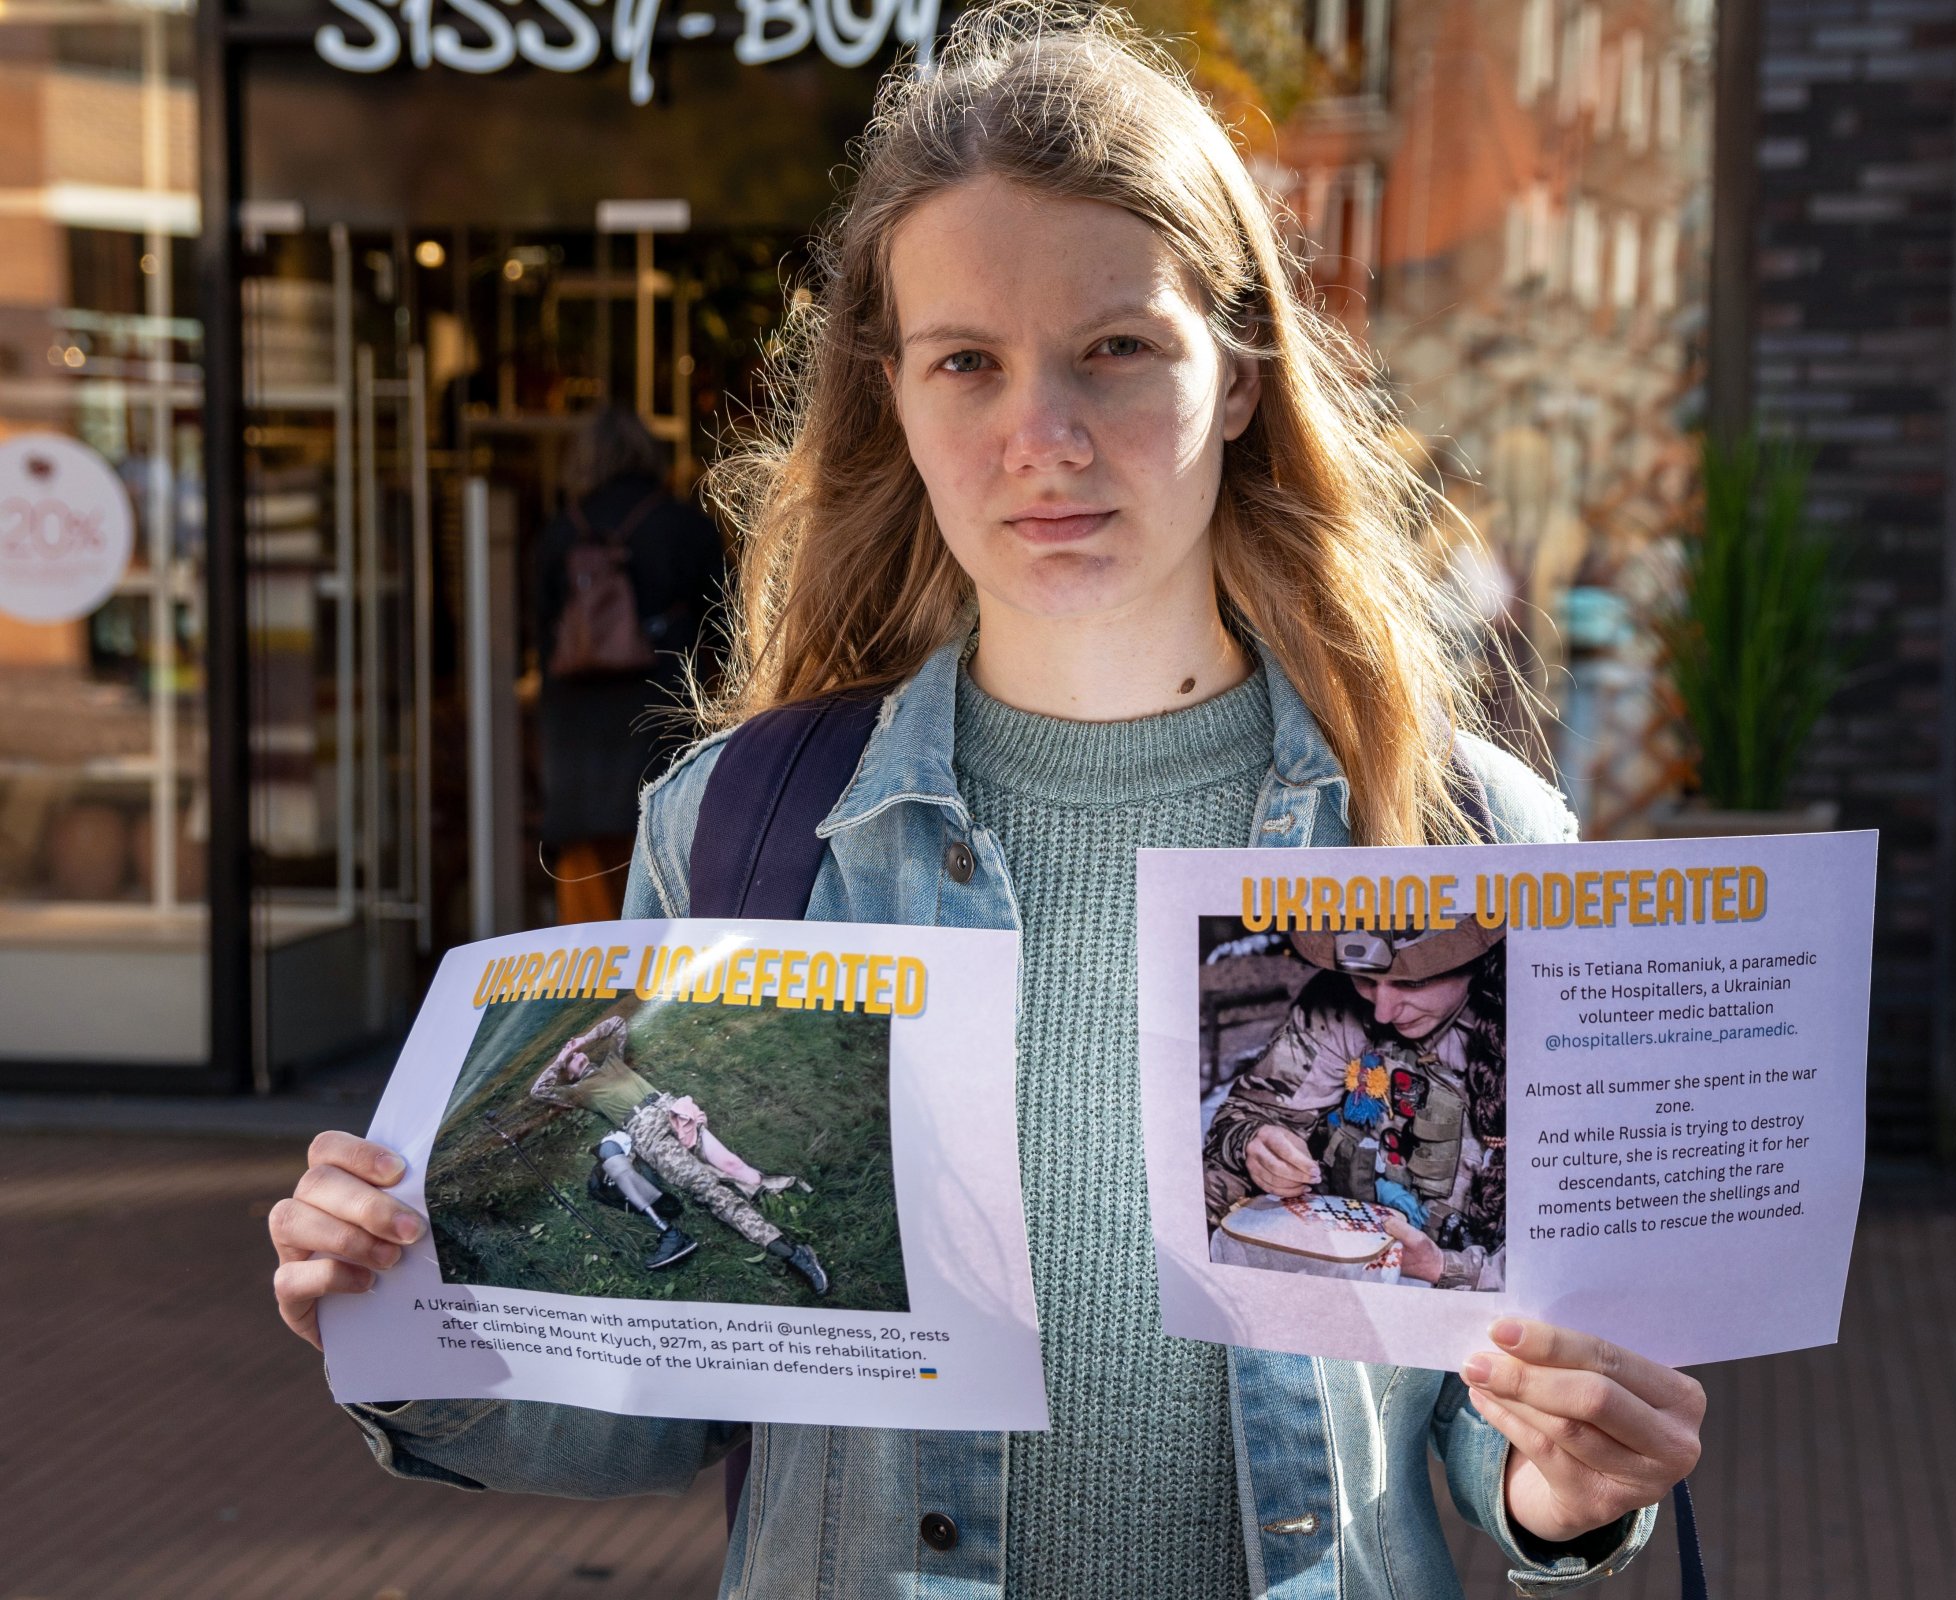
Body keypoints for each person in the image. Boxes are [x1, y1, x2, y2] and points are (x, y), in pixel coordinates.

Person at [266, 7, 1705, 1594]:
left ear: (1237, 377)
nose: (1044, 439)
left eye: (1117, 348)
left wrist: (1562, 1479)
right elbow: (656, 1395)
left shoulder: (1462, 840)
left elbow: (1486, 1387)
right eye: (968, 363)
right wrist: (409, 1320)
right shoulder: (748, 829)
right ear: (897, 399)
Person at [1203, 923, 1508, 1290]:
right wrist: (1252, 1141)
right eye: (1366, 980)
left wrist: (1443, 1267)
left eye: (1412, 982)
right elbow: (1253, 1111)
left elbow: (1548, 1266)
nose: (1382, 1012)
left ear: (1472, 961)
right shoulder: (1337, 1004)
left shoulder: (1534, 1025)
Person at [533, 407, 727, 922]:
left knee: (587, 928)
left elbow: (540, 642)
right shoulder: (686, 527)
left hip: (574, 747)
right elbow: (728, 636)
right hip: (661, 730)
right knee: (665, 905)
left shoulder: (558, 536)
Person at [524, 1015, 820, 1285]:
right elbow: (539, 1090)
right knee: (709, 1191)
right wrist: (560, 1059)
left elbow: (616, 1024)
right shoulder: (578, 1092)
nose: (575, 1055)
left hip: (672, 1109)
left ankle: (773, 1193)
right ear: (568, 1075)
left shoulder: (613, 1060)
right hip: (647, 1133)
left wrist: (583, 1040)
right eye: (571, 1061)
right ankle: (790, 1252)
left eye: (575, 1053)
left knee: (731, 1164)